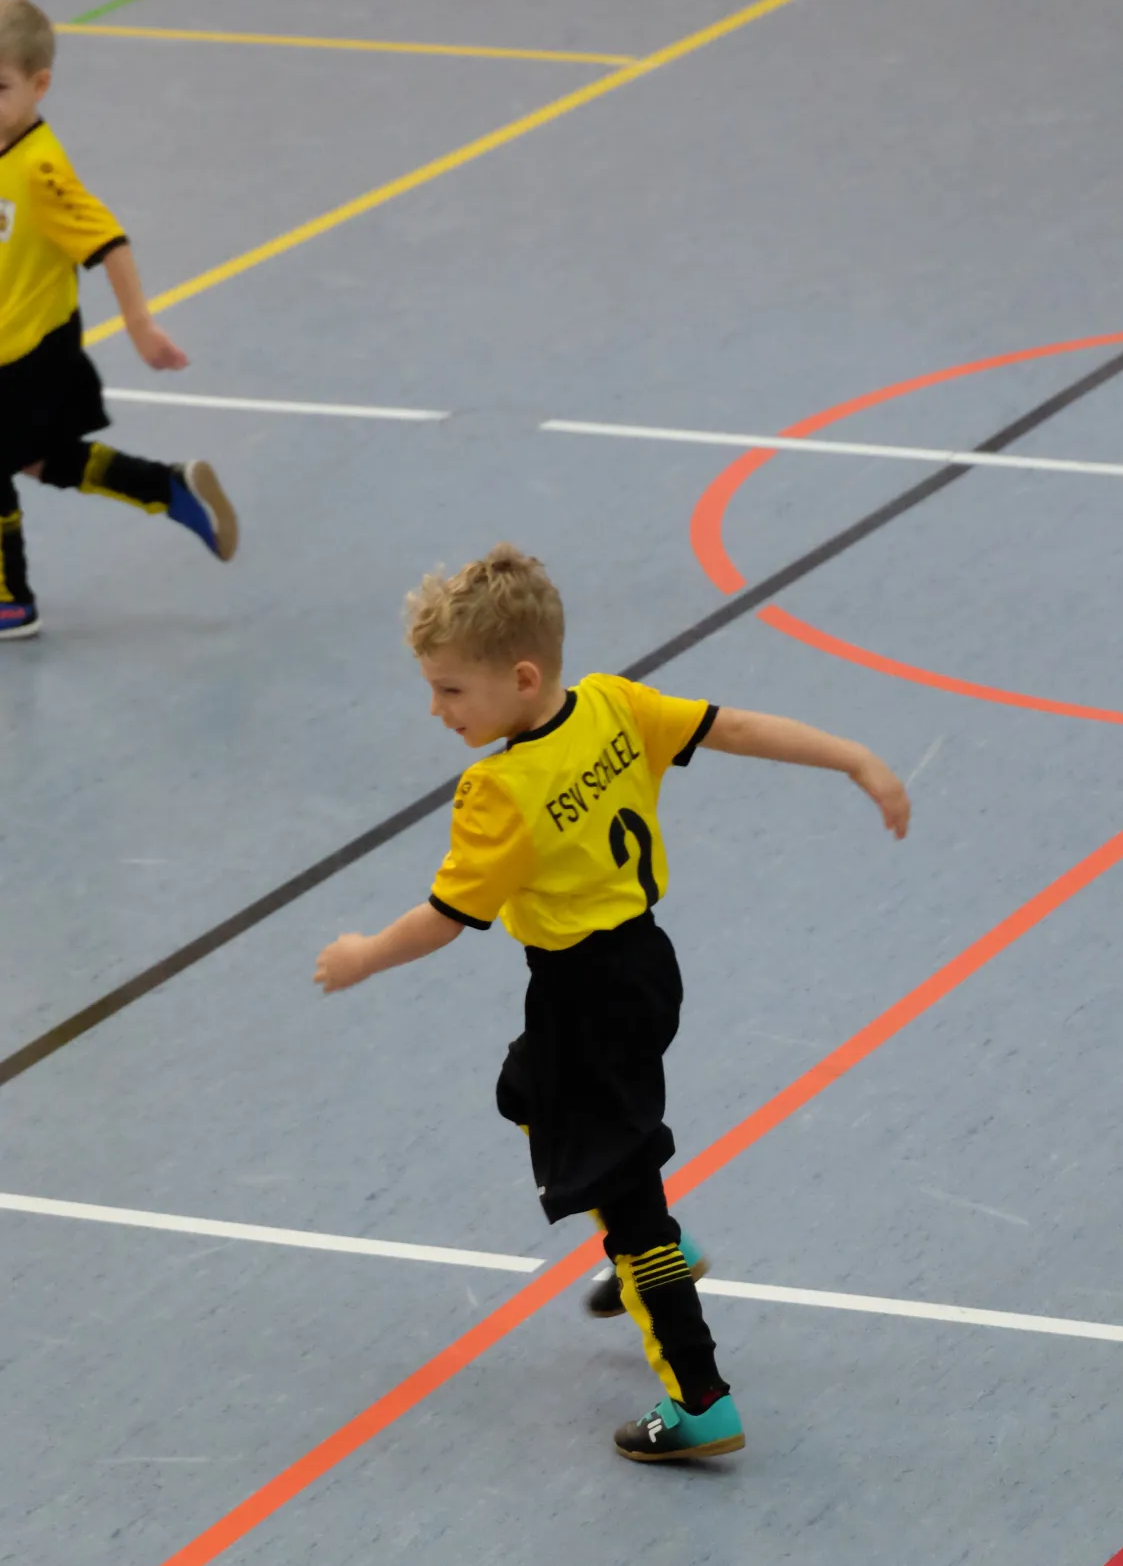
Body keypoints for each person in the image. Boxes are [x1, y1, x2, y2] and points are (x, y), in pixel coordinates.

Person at [314, 545, 910, 1463]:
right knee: (524, 1093)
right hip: (644, 969)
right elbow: (736, 727)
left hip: (582, 995)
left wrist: (363, 956)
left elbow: (445, 919)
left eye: (450, 690)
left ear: (520, 678)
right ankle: (655, 1237)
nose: (436, 710)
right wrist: (853, 758)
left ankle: (699, 1397)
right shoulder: (612, 706)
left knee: (628, 1205)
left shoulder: (499, 790)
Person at [0, 0, 237, 641]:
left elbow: (109, 242)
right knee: (41, 459)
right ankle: (167, 488)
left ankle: (10, 600)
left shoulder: (42, 171)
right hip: (11, 348)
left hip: (31, 352)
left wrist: (139, 326)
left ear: (40, 85)